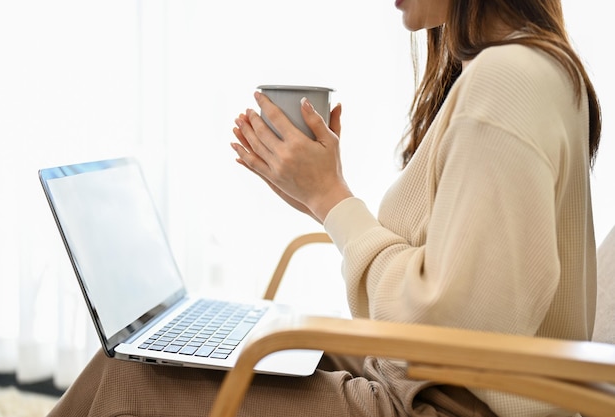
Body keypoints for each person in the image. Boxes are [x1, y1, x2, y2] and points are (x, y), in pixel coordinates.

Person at [47, 0, 601, 416]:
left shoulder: (508, 80)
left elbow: (458, 326)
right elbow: (467, 291)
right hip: (420, 378)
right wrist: (320, 199)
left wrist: (332, 199)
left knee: (129, 379)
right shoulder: (527, 69)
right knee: (151, 355)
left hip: (440, 402)